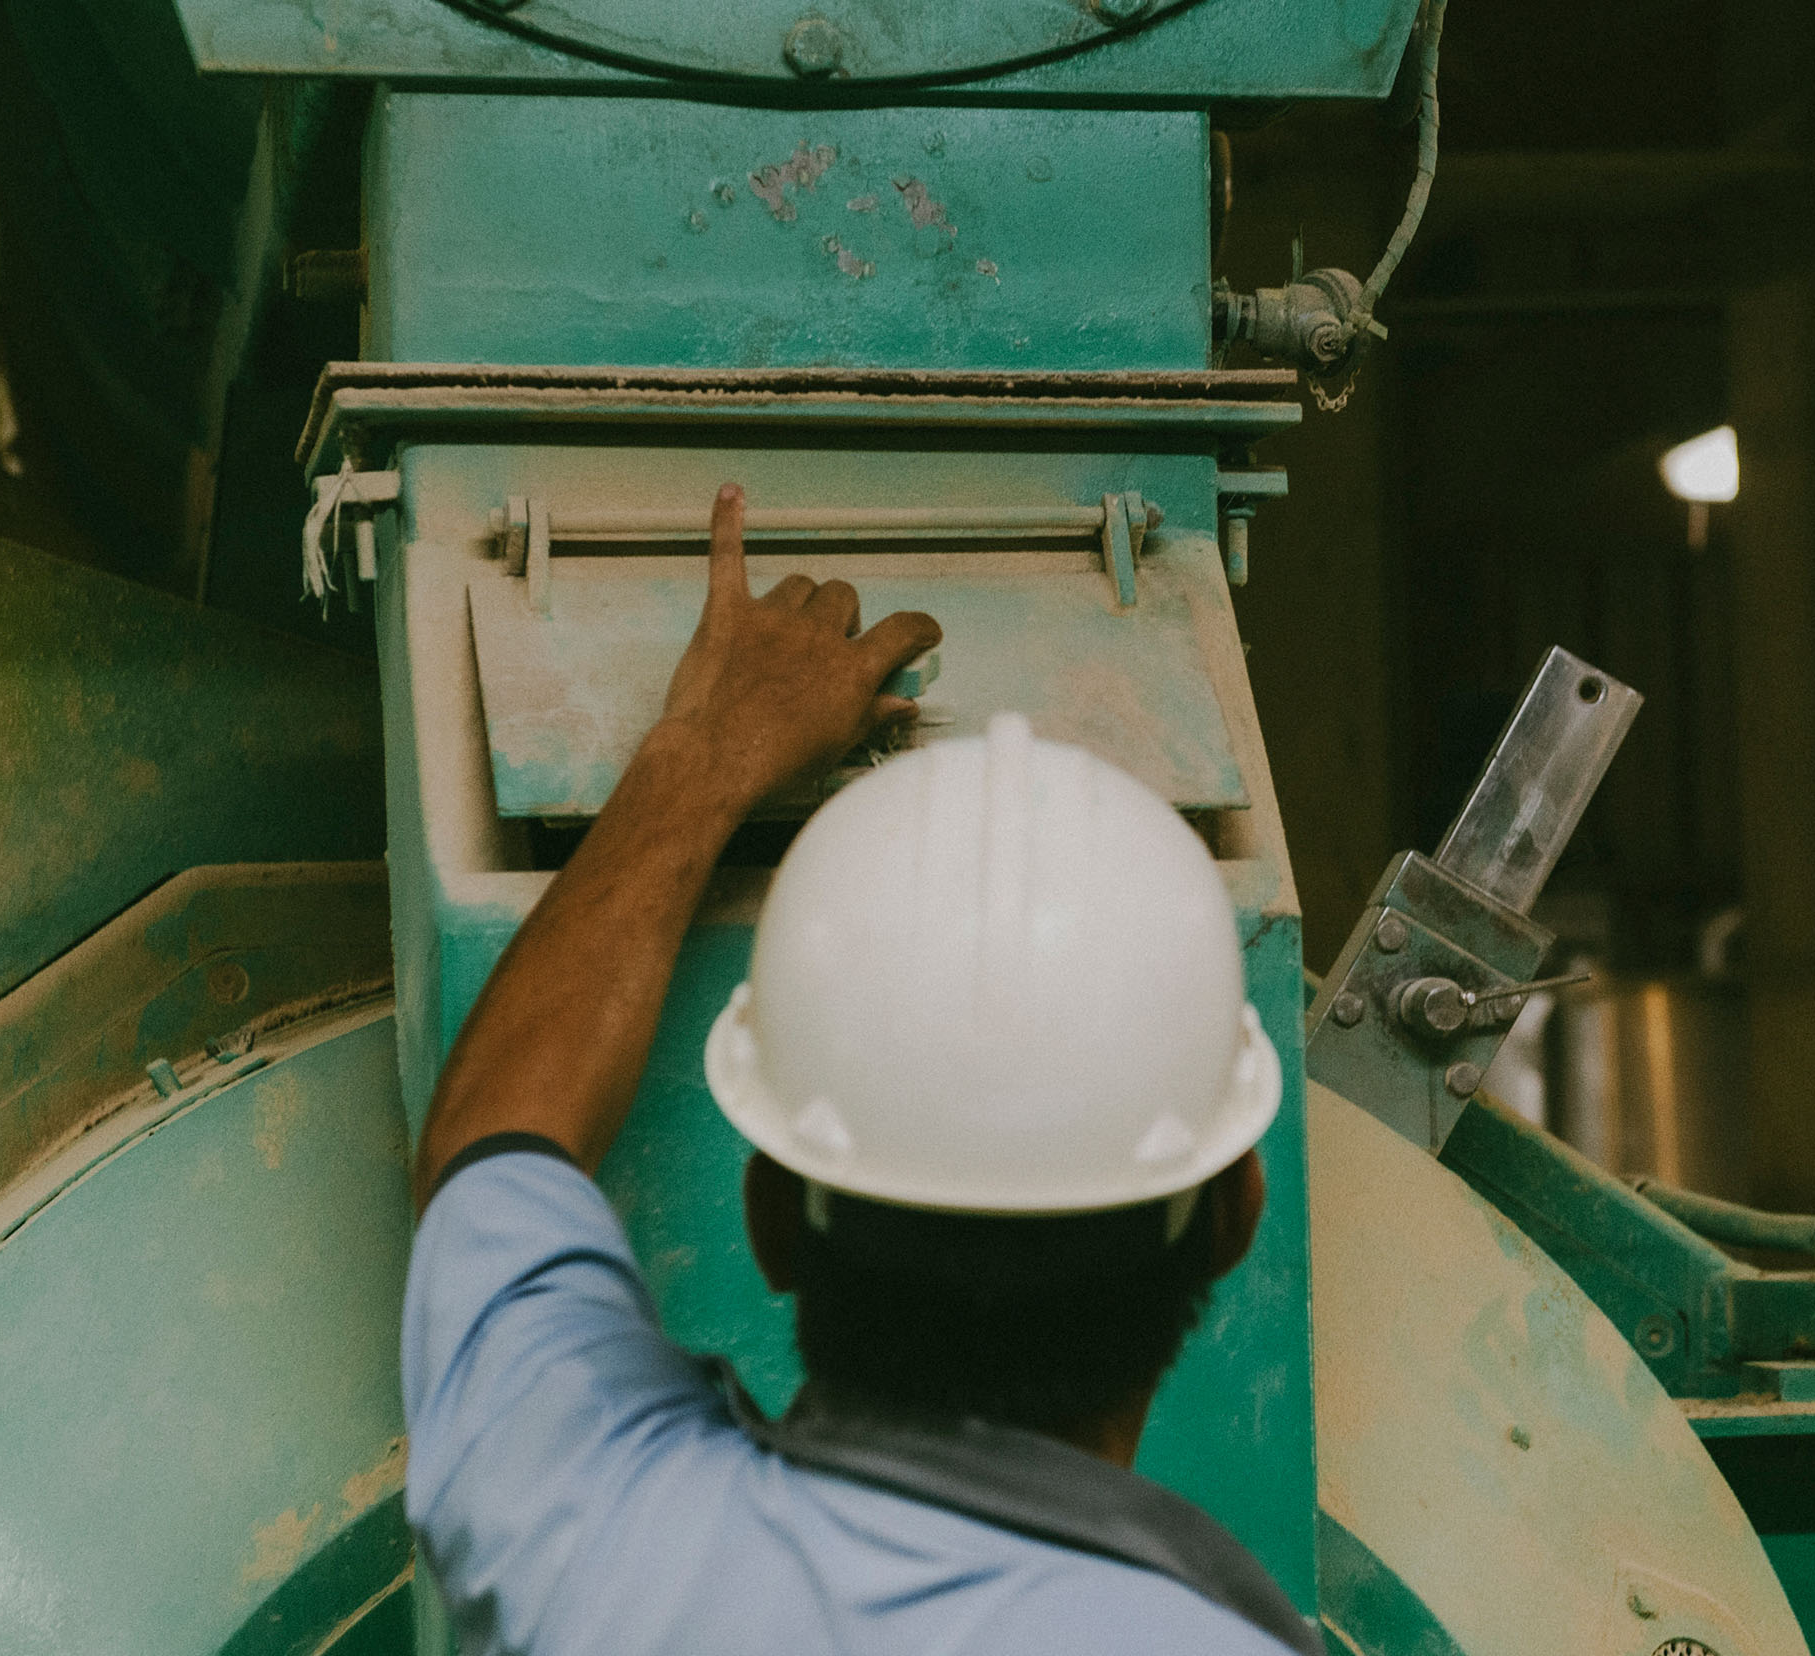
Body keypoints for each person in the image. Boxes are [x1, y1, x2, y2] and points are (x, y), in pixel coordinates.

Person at [400, 483, 1315, 1655]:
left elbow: (492, 1138)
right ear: (1237, 1211)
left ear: (770, 1214)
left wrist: (704, 755)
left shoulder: (589, 1539)